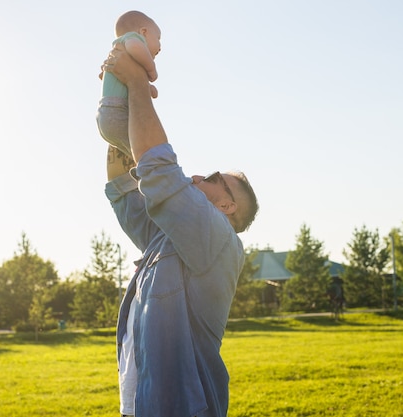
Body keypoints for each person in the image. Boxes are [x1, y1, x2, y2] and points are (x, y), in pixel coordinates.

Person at [102, 42, 259, 417]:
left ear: (227, 206)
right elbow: (127, 190)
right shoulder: (170, 239)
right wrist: (117, 99)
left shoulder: (219, 241)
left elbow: (158, 171)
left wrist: (138, 81)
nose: (202, 175)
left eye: (217, 179)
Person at [97, 10, 161, 158]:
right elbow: (135, 46)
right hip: (116, 111)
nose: (160, 46)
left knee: (136, 152)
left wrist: (148, 88)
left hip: (109, 115)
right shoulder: (132, 39)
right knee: (146, 151)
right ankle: (144, 169)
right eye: (158, 38)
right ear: (143, 32)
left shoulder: (128, 58)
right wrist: (151, 69)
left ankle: (139, 170)